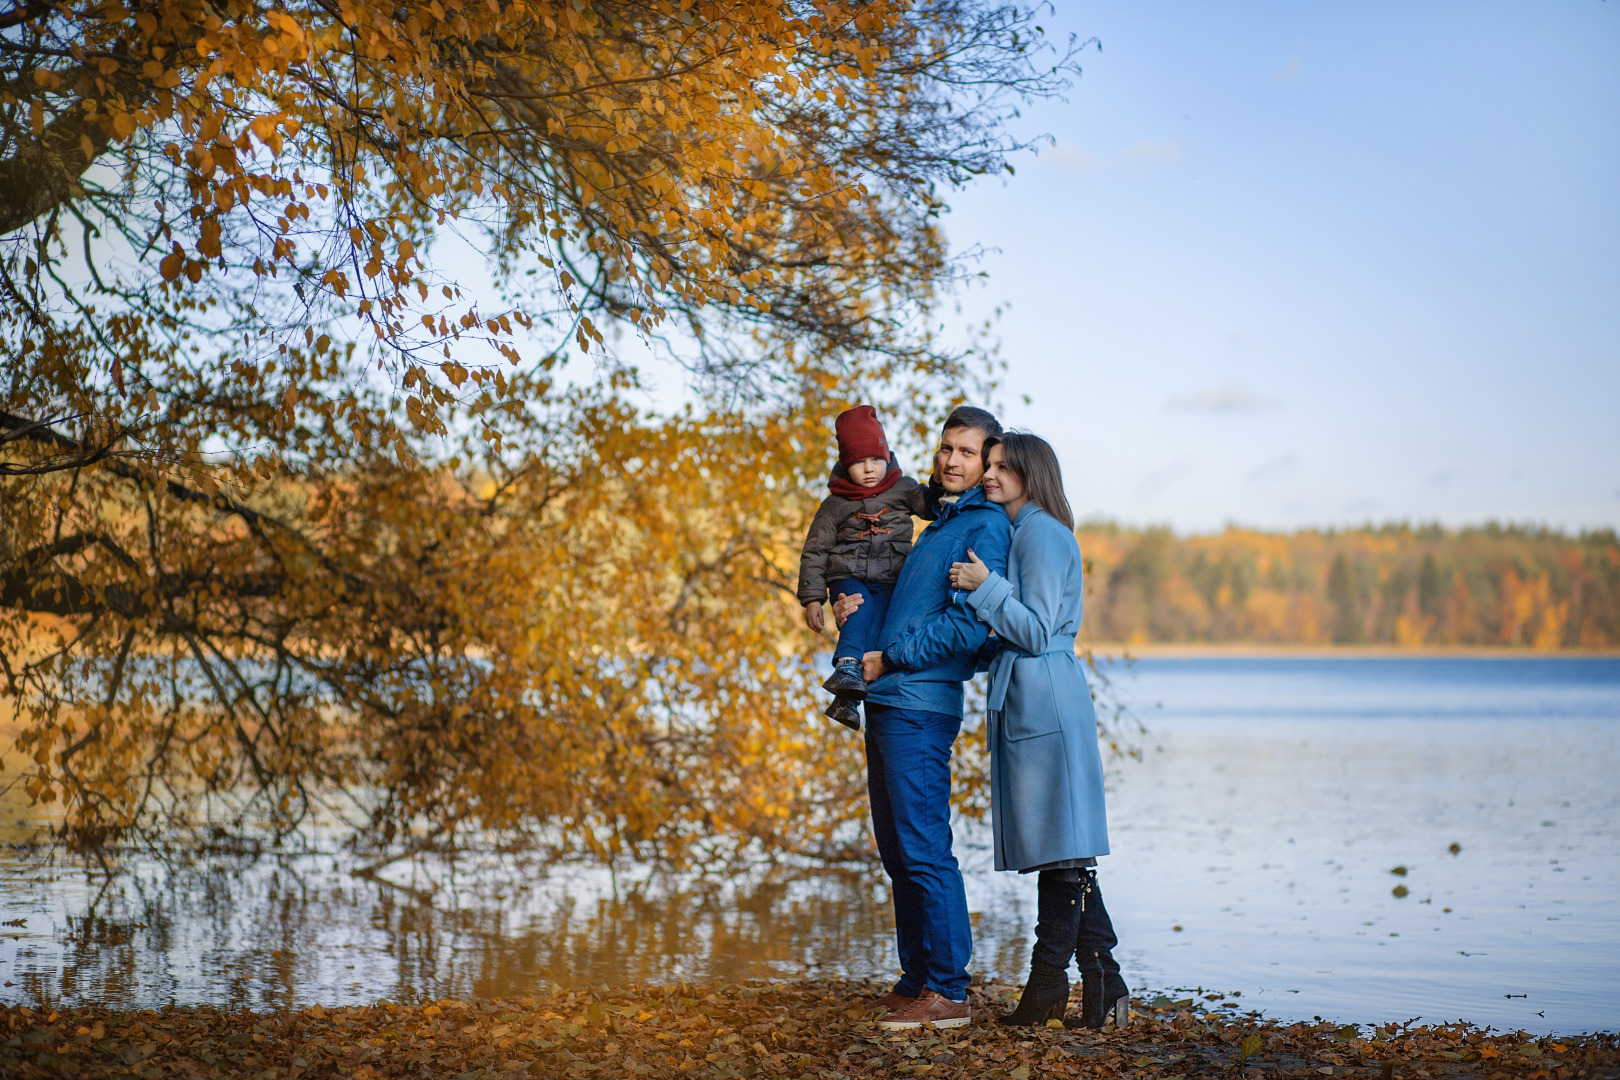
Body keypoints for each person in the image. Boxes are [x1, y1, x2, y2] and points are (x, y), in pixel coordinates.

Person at [830, 404, 1011, 1030]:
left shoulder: (984, 527)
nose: (951, 460)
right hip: (887, 701)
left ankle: (949, 991)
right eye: (945, 449)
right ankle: (916, 979)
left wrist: (890, 657)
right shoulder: (937, 525)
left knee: (926, 848)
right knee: (897, 849)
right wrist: (847, 597)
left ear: (987, 461)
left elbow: (966, 626)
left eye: (966, 452)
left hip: (920, 706)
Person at [947, 432, 1129, 1029]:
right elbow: (1014, 630)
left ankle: (1048, 983)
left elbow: (1036, 628)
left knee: (1060, 853)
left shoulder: (1045, 534)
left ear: (1033, 473)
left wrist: (984, 588)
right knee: (1065, 851)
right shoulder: (1021, 532)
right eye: (989, 465)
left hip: (1045, 697)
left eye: (1003, 467)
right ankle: (1104, 984)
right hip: (1032, 695)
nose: (990, 475)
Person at [796, 405, 939, 729]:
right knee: (857, 611)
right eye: (859, 462)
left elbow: (929, 506)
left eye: (875, 459)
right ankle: (845, 665)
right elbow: (815, 551)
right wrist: (813, 599)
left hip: (892, 580)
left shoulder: (903, 487)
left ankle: (847, 700)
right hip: (848, 576)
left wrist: (939, 482)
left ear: (886, 455)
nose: (870, 468)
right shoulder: (835, 504)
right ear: (846, 465)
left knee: (880, 636)